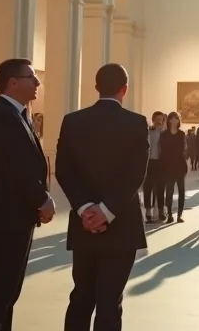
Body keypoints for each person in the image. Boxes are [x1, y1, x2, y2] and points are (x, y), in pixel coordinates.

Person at [56, 63, 149, 331]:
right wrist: (106, 211)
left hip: (84, 224)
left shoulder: (73, 120)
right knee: (110, 301)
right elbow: (136, 174)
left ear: (96, 87)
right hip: (122, 223)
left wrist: (86, 209)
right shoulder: (136, 122)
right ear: (125, 89)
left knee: (81, 297)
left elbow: (63, 169)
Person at [0, 58, 52, 331]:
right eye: (32, 77)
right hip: (7, 216)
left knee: (8, 290)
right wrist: (42, 198)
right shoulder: (2, 117)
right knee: (1, 290)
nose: (37, 82)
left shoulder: (17, 114)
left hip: (16, 215)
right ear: (13, 82)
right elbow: (15, 169)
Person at [160, 111, 188, 223]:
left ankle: (179, 215)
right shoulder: (164, 134)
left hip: (180, 165)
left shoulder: (181, 134)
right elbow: (163, 151)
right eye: (172, 118)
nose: (174, 120)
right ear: (169, 120)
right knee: (169, 191)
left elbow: (183, 150)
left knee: (181, 190)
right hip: (168, 166)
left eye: (177, 118)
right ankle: (170, 214)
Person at [143, 111, 166, 223]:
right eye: (157, 119)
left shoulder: (165, 133)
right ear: (153, 120)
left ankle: (161, 211)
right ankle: (148, 211)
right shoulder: (148, 132)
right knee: (148, 187)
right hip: (150, 162)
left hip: (161, 163)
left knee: (161, 187)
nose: (159, 121)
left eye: (161, 119)